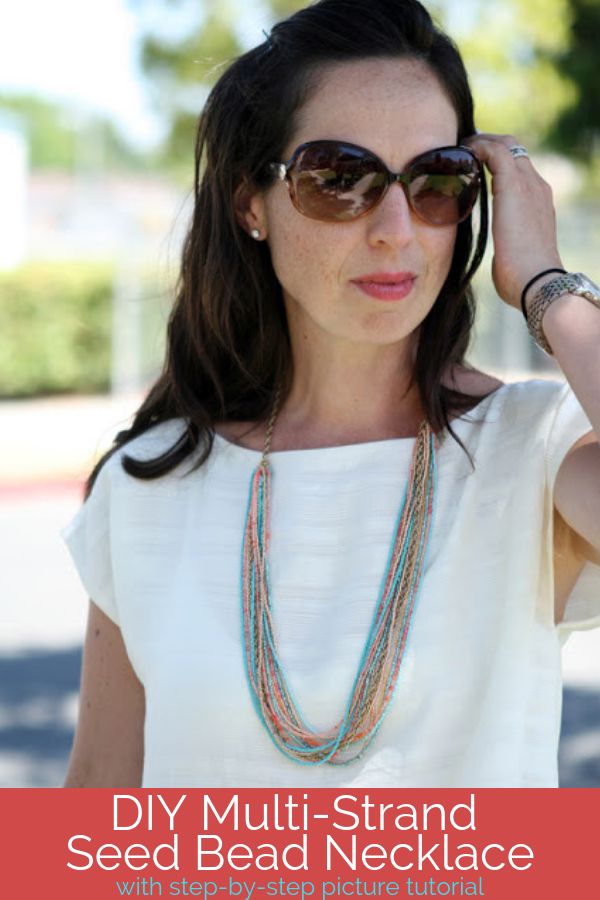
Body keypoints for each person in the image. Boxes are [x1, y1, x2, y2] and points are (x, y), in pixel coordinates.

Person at [61, 0, 600, 788]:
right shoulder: (147, 485)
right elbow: (97, 803)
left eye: (436, 180)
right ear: (251, 203)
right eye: (339, 177)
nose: (395, 228)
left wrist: (548, 285)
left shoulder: (529, 450)